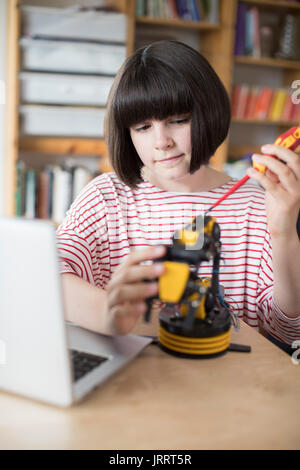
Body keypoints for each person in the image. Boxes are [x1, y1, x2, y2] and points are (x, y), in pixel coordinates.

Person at [56, 40, 300, 349]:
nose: (161, 141)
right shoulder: (106, 198)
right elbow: (48, 276)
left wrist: (284, 235)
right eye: (143, 127)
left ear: (208, 113)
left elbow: (289, 330)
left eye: (178, 120)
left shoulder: (256, 206)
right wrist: (108, 313)